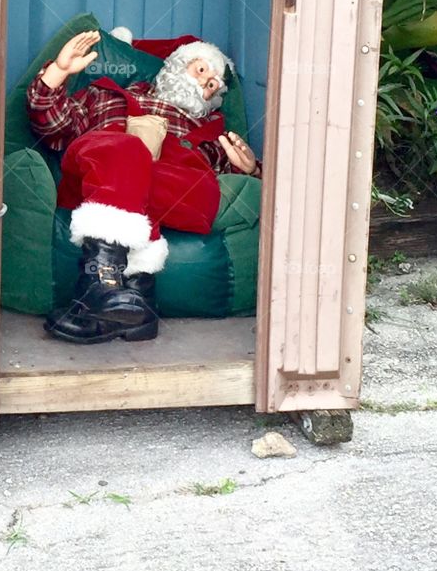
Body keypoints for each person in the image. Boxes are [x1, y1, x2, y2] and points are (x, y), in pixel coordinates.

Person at [26, 29, 261, 344]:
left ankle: (100, 289)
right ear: (176, 64)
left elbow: (243, 192)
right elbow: (53, 126)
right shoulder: (107, 95)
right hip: (98, 174)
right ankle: (136, 302)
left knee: (147, 165)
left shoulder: (211, 132)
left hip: (179, 190)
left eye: (212, 86)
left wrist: (251, 169)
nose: (203, 84)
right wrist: (57, 73)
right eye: (201, 70)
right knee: (129, 151)